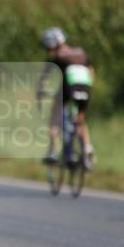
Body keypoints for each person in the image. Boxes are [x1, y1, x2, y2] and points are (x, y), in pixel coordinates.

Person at [37, 27, 95, 169]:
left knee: (55, 115)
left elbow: (44, 78)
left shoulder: (58, 57)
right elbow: (91, 72)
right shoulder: (81, 52)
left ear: (52, 45)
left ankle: (52, 151)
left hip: (68, 89)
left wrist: (40, 93)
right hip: (86, 87)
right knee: (80, 119)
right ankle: (87, 148)